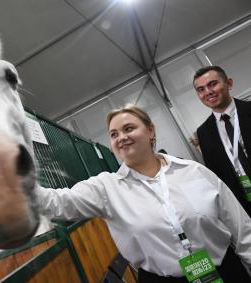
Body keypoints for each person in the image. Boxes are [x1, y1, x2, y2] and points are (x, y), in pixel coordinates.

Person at [35, 105, 251, 283]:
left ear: (150, 131)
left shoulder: (193, 171)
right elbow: (58, 203)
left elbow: (241, 228)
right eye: (114, 134)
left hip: (226, 272)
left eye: (129, 128)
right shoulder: (106, 188)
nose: (121, 137)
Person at [194, 66, 251, 216]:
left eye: (212, 84)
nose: (207, 92)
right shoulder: (203, 132)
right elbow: (217, 175)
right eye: (201, 89)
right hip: (243, 204)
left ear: (229, 83)